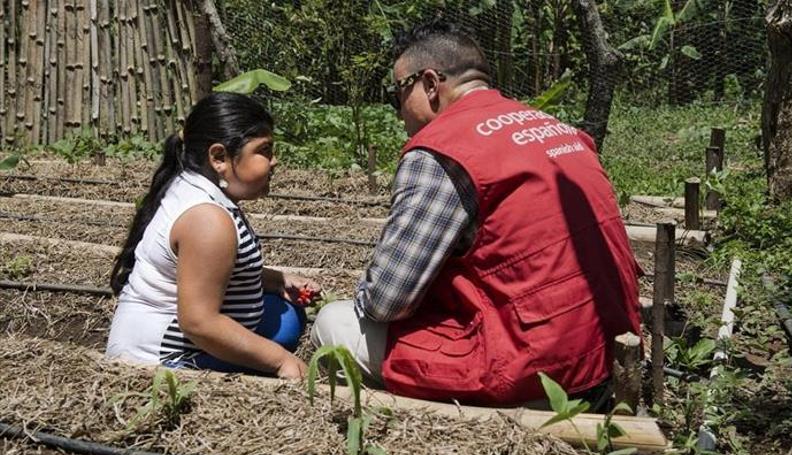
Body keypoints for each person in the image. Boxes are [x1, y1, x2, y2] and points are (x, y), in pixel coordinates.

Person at [312, 20, 641, 405]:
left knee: (333, 323)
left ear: (431, 84)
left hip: (536, 368)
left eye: (396, 95)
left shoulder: (442, 150)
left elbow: (386, 301)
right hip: (607, 351)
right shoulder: (560, 129)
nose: (399, 113)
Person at [106, 92, 320, 379]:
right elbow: (199, 323)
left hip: (177, 343)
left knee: (284, 314)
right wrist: (281, 361)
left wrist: (277, 280)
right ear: (219, 157)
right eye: (264, 150)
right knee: (284, 327)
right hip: (164, 362)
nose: (274, 162)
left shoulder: (195, 188)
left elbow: (210, 271)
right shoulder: (207, 220)